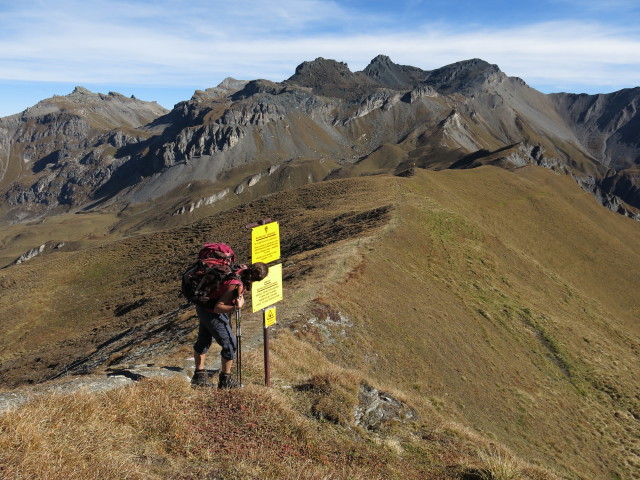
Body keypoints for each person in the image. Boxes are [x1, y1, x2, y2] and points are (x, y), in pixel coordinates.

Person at [191, 262, 268, 389]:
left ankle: (198, 376)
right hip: (211, 312)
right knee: (230, 345)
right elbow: (218, 307)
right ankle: (225, 381)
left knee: (203, 341)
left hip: (203, 307)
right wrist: (236, 307)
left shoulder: (241, 268)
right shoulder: (235, 284)